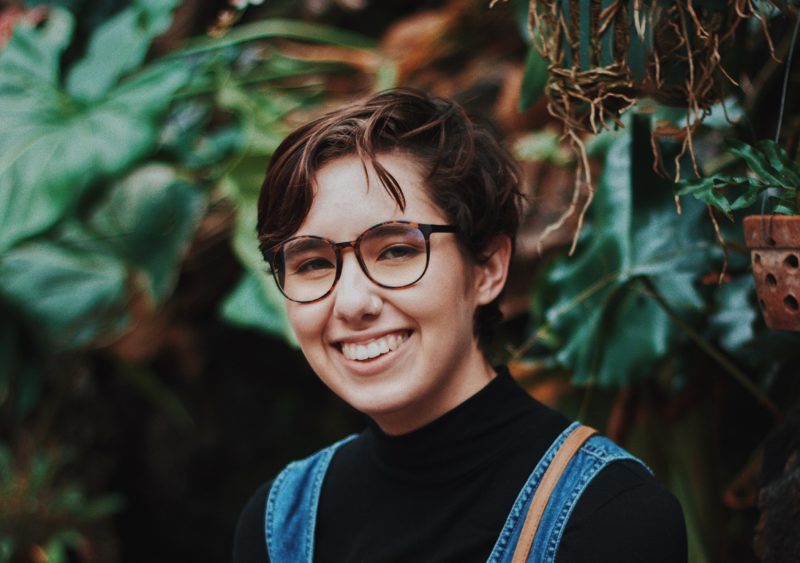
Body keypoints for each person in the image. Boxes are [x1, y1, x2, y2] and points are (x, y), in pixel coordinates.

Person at [233, 89, 687, 562]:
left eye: (395, 251)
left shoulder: (610, 518)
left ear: (487, 267)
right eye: (312, 263)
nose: (351, 302)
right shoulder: (276, 525)